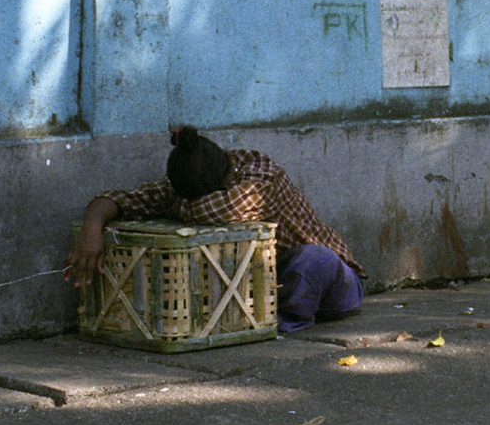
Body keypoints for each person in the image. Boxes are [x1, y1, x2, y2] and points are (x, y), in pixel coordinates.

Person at [65, 127, 364, 334]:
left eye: (193, 200)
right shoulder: (187, 187)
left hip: (336, 286)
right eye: (185, 199)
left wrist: (174, 207)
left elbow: (217, 210)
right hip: (271, 287)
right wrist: (92, 228)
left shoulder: (262, 173)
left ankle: (284, 324)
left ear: (228, 172)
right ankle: (259, 318)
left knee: (312, 259)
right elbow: (123, 199)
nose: (188, 204)